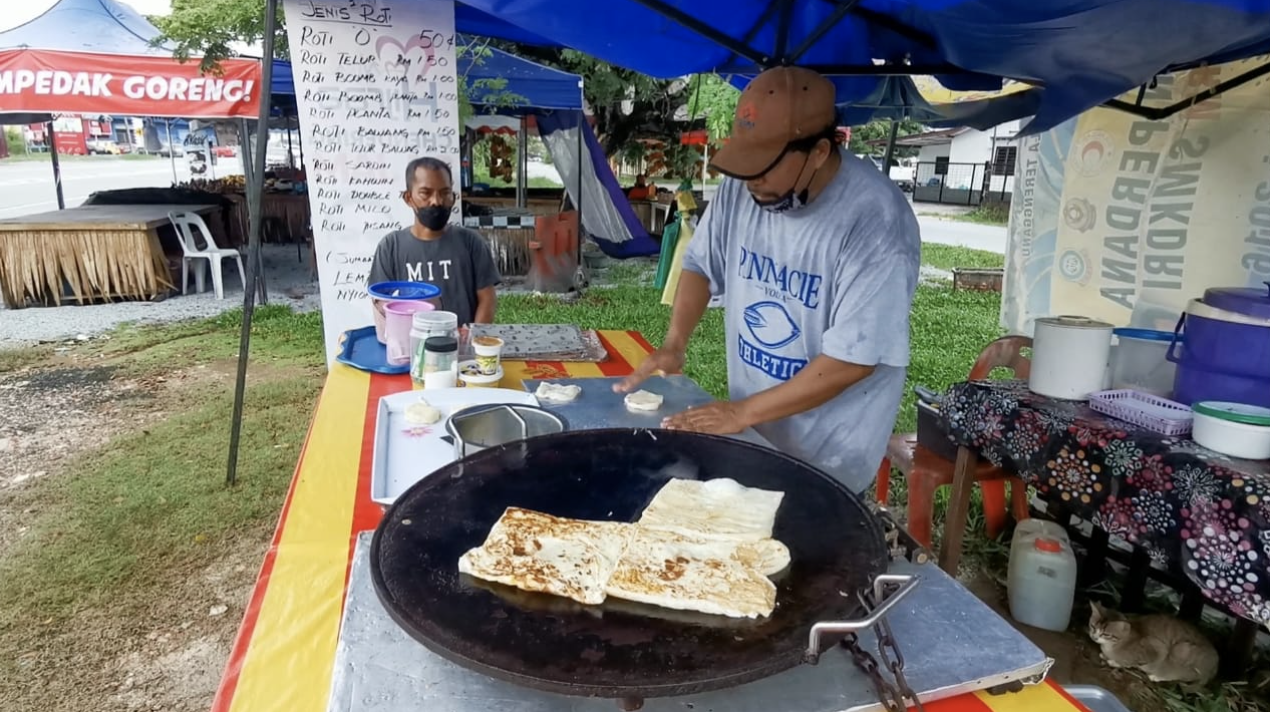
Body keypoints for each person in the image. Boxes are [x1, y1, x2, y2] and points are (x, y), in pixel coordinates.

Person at [616, 67, 921, 494]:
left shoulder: (877, 221)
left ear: (819, 151)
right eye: (746, 164)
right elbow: (700, 264)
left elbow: (852, 360)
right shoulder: (743, 187)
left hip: (831, 454)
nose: (752, 181)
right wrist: (675, 342)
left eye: (765, 167)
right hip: (757, 433)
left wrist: (740, 413)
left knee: (808, 528)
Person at [368, 156, 500, 326]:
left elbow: (487, 299)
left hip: (462, 341)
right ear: (408, 198)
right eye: (425, 193)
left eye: (445, 193)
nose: (436, 201)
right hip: (411, 341)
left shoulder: (471, 242)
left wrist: (472, 336)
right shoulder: (390, 247)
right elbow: (382, 304)